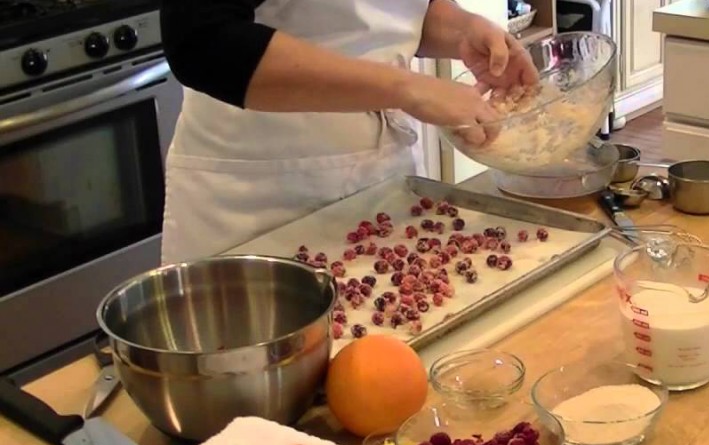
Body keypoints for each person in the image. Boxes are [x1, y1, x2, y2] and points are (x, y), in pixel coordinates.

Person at [159, 0, 539, 264]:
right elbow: (203, 40)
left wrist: (461, 29)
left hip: (381, 178)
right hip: (260, 197)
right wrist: (410, 89)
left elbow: (371, 14)